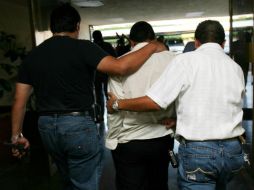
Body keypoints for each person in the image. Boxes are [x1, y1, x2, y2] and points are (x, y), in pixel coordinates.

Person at [10, 3, 166, 190]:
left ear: (52, 27)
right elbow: (120, 67)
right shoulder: (83, 47)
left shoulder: (33, 55)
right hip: (77, 125)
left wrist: (16, 135)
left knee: (67, 178)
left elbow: (19, 100)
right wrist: (152, 46)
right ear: (77, 26)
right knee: (84, 183)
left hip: (46, 127)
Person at [107, 20, 245, 190]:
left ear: (196, 42)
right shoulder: (236, 68)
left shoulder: (186, 61)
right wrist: (178, 121)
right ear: (223, 43)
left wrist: (117, 103)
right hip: (233, 152)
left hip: (199, 152)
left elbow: (156, 101)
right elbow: (221, 107)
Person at [106, 21, 176, 190]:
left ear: (131, 41)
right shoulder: (174, 59)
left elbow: (114, 108)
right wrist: (177, 121)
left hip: (130, 141)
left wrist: (114, 140)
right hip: (163, 136)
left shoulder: (119, 64)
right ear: (153, 39)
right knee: (159, 185)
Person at [92, 30, 116, 125]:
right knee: (108, 94)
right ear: (101, 36)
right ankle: (111, 114)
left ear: (94, 37)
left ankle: (100, 116)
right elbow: (115, 57)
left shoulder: (92, 46)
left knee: (98, 96)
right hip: (107, 73)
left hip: (96, 74)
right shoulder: (107, 45)